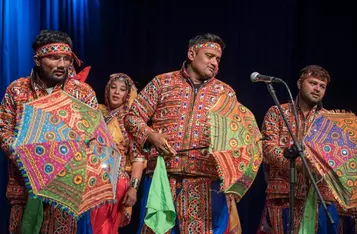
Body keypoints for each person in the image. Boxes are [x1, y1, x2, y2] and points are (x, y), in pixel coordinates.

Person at [124, 33, 243, 233]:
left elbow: (235, 137)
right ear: (191, 53)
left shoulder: (225, 93)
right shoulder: (163, 83)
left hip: (204, 182)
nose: (214, 63)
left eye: (218, 59)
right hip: (163, 177)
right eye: (209, 56)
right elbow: (132, 117)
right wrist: (152, 136)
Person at [0, 30, 98, 234]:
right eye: (54, 58)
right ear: (38, 59)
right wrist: (29, 157)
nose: (62, 65)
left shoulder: (82, 93)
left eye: (66, 58)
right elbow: (3, 130)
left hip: (65, 191)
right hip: (24, 188)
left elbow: (94, 135)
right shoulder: (17, 90)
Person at [258, 65, 356, 234]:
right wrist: (294, 159)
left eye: (322, 86)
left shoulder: (329, 121)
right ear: (299, 83)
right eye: (313, 83)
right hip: (283, 197)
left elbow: (340, 160)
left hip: (320, 199)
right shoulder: (277, 112)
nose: (317, 89)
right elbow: (267, 147)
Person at [90, 73, 146, 234]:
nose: (116, 92)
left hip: (116, 182)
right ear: (107, 90)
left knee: (106, 229)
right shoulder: (95, 113)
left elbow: (138, 158)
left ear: (127, 95)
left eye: (122, 90)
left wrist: (134, 188)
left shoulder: (131, 121)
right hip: (91, 179)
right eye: (113, 88)